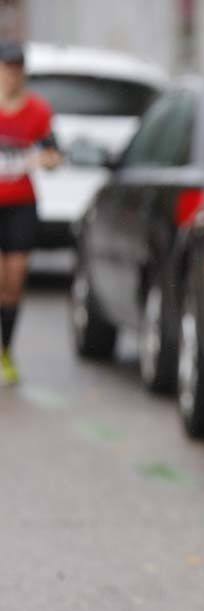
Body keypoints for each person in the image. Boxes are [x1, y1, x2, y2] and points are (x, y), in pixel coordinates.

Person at [0, 41, 60, 385]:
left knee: (15, 278)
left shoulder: (38, 111)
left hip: (21, 204)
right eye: (8, 68)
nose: (13, 75)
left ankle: (6, 350)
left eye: (18, 68)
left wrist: (43, 160)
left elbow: (54, 154)